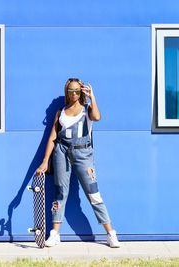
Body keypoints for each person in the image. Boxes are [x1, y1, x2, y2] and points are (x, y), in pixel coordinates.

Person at [36, 78, 120, 248]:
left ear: (81, 92)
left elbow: (97, 117)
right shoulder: (61, 112)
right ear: (67, 92)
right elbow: (52, 137)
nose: (74, 94)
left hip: (83, 153)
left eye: (77, 91)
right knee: (60, 192)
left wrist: (92, 97)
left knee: (93, 193)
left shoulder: (87, 109)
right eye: (70, 91)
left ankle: (110, 233)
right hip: (62, 152)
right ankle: (55, 233)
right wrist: (45, 161)